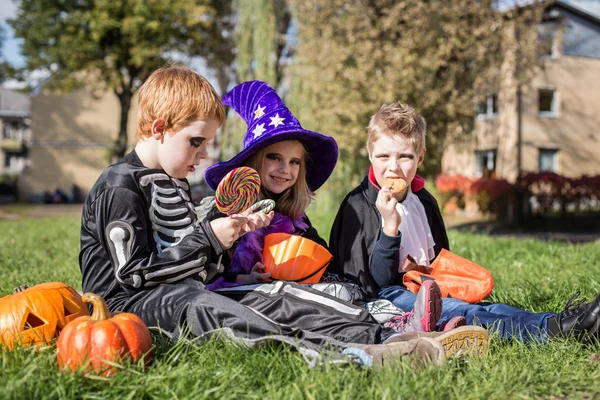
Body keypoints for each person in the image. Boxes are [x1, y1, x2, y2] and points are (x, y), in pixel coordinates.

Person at [78, 66, 452, 368]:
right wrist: (212, 238)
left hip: (184, 288)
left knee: (279, 297)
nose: (205, 153)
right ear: (159, 128)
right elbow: (133, 273)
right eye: (196, 141)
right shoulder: (120, 186)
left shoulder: (173, 183)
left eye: (206, 143)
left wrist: (227, 259)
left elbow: (192, 265)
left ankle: (388, 337)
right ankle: (346, 356)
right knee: (213, 309)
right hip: (128, 307)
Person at [328, 101, 600, 343]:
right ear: (369, 153)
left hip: (424, 285)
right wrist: (389, 228)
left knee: (487, 307)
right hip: (390, 298)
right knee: (464, 312)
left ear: (420, 157)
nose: (394, 167)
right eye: (383, 156)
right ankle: (554, 328)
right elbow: (373, 283)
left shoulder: (423, 201)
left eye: (405, 156)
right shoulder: (358, 206)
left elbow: (437, 258)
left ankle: (559, 319)